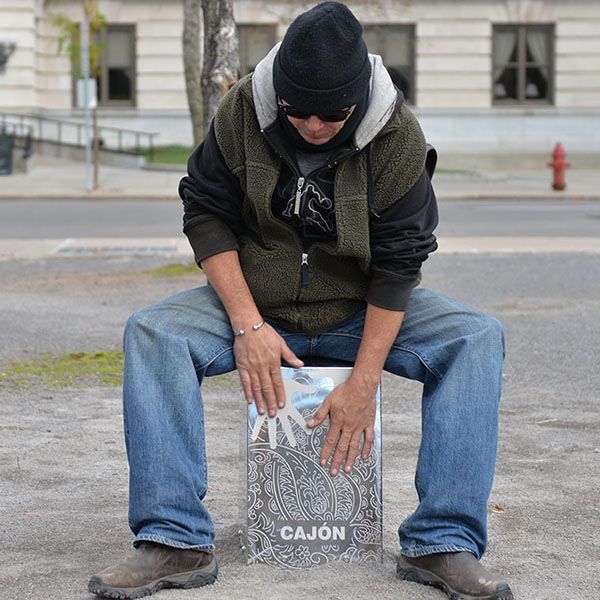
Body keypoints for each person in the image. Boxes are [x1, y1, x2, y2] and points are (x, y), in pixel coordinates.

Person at [88, 3, 513, 600]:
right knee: (153, 332)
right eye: (299, 111)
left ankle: (443, 542)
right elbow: (205, 210)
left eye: (331, 115)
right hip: (259, 306)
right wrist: (247, 325)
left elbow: (399, 264)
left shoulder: (397, 137)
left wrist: (364, 382)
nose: (313, 125)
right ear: (280, 92)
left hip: (359, 308)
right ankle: (174, 539)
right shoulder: (243, 110)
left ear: (358, 99)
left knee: (476, 336)